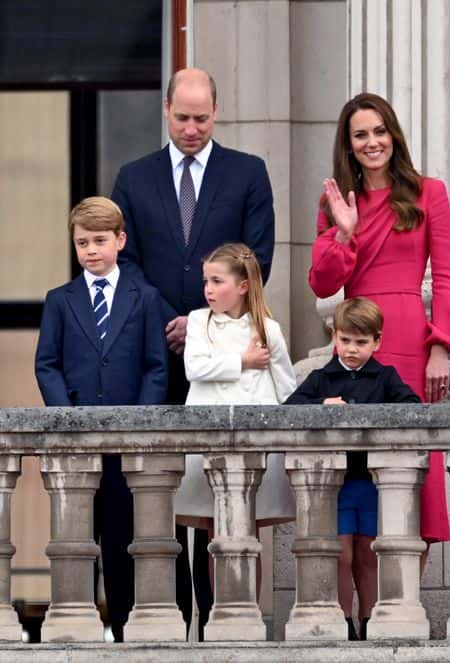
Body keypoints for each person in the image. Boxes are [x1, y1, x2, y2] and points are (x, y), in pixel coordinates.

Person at [111, 67, 275, 635]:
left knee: (224, 496)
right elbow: (121, 262)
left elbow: (258, 257)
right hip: (156, 356)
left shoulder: (247, 173)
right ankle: (168, 617)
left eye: (202, 118)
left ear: (216, 112)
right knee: (158, 489)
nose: (191, 128)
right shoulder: (134, 178)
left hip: (228, 358)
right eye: (182, 118)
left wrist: (206, 322)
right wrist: (171, 321)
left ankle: (226, 619)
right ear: (165, 111)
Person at [309, 93, 450, 552]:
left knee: (414, 469)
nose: (372, 141)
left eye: (380, 131)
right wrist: (344, 230)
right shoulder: (336, 200)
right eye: (361, 134)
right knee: (362, 470)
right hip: (357, 339)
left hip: (409, 338)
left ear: (393, 136)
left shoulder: (428, 192)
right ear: (349, 143)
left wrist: (441, 345)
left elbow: (445, 275)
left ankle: (406, 609)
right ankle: (363, 614)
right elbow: (322, 284)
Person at [35, 196, 168, 642]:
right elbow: (47, 364)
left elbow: (155, 365)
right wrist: (67, 420)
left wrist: (139, 422)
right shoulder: (60, 300)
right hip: (76, 443)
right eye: (82, 243)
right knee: (75, 539)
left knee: (121, 536)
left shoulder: (145, 298)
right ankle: (79, 626)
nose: (91, 250)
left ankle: (126, 628)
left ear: (120, 241)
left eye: (99, 241)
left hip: (126, 444)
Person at [285, 297, 420, 640]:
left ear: (377, 342)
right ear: (334, 337)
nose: (351, 349)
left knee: (369, 553)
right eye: (345, 340)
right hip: (336, 483)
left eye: (361, 342)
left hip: (372, 482)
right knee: (340, 553)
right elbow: (289, 409)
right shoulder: (321, 377)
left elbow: (412, 407)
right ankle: (343, 620)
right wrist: (322, 405)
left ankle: (369, 620)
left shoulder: (385, 377)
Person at [177, 243, 296, 600]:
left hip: (255, 441)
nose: (208, 289)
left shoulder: (268, 329)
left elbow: (286, 387)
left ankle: (248, 614)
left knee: (248, 533)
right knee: (216, 532)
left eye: (217, 281)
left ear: (242, 285)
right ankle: (220, 614)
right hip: (207, 438)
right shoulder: (199, 321)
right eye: (206, 281)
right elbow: (193, 368)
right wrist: (241, 361)